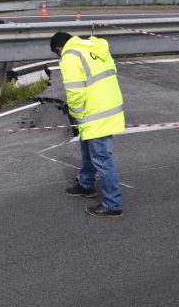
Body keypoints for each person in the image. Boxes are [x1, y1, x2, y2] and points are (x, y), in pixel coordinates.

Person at [50, 31, 125, 218]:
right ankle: (86, 184)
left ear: (59, 48)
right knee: (87, 149)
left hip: (95, 113)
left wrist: (75, 113)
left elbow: (75, 92)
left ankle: (113, 204)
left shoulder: (70, 56)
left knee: (102, 159)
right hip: (108, 107)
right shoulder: (93, 47)